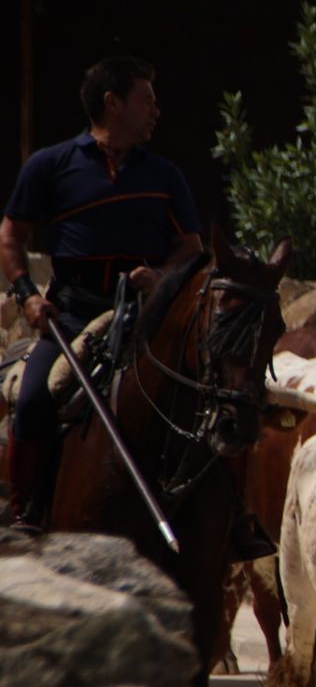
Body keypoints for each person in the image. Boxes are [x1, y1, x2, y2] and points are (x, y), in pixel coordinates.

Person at [0, 55, 204, 531]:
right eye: (146, 100)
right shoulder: (51, 166)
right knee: (33, 402)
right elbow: (11, 235)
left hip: (146, 315)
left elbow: (191, 249)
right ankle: (27, 509)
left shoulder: (165, 176)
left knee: (212, 399)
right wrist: (28, 295)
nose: (156, 110)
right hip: (71, 315)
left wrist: (162, 278)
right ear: (113, 103)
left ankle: (233, 518)